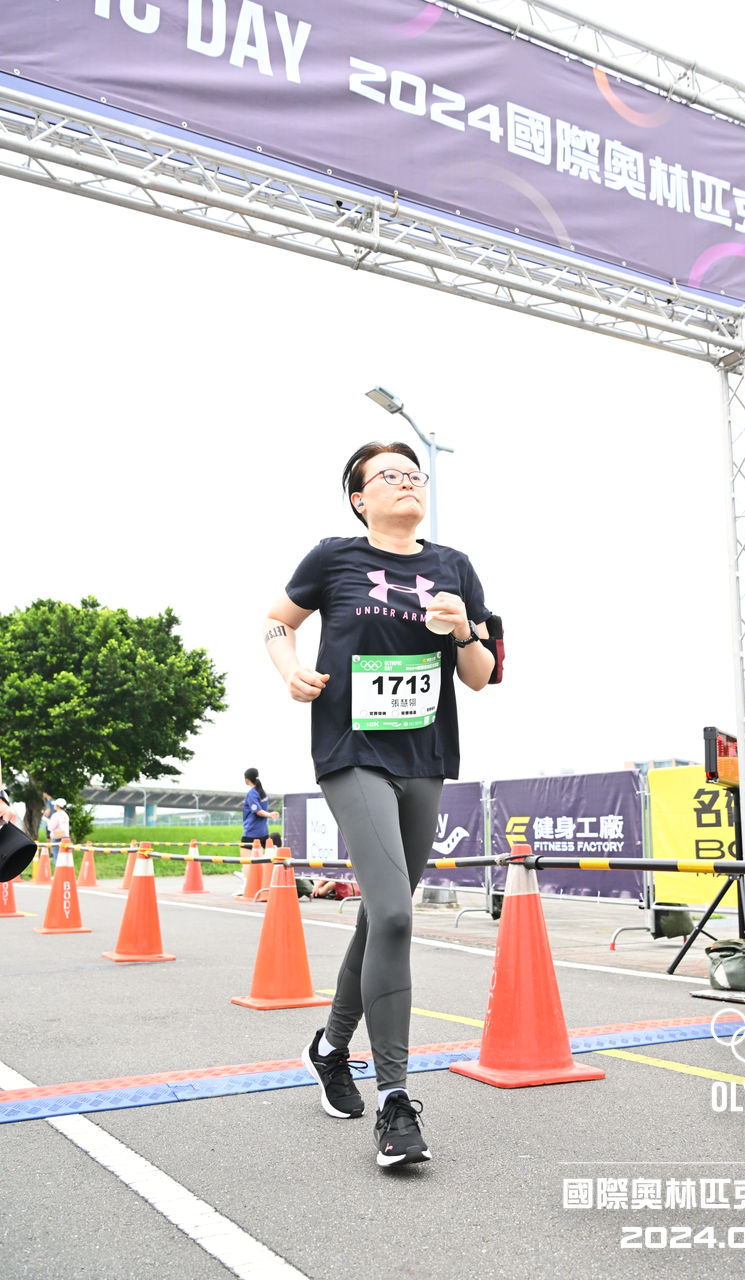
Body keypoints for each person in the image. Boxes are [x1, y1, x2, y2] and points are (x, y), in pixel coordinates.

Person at [263, 440, 498, 1168]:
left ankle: (329, 1047)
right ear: (360, 498)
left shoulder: (454, 567)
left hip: (425, 757)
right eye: (390, 475)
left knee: (380, 914)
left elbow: (481, 674)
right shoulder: (332, 558)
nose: (407, 482)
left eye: (413, 473)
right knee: (395, 913)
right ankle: (396, 1101)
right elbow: (276, 622)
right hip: (351, 750)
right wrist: (289, 668)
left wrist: (462, 630)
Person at [240, 769, 280, 859]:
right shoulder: (263, 792)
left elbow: (258, 811)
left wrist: (269, 815)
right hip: (263, 833)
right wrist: (269, 814)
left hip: (251, 833)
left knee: (246, 862)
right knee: (261, 861)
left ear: (247, 779)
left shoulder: (251, 793)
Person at [46, 797, 70, 866]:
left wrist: (48, 821)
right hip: (66, 837)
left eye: (55, 805)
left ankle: (58, 871)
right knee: (65, 857)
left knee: (57, 856)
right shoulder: (65, 815)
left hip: (57, 837)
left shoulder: (55, 815)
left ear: (58, 806)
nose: (54, 806)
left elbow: (51, 827)